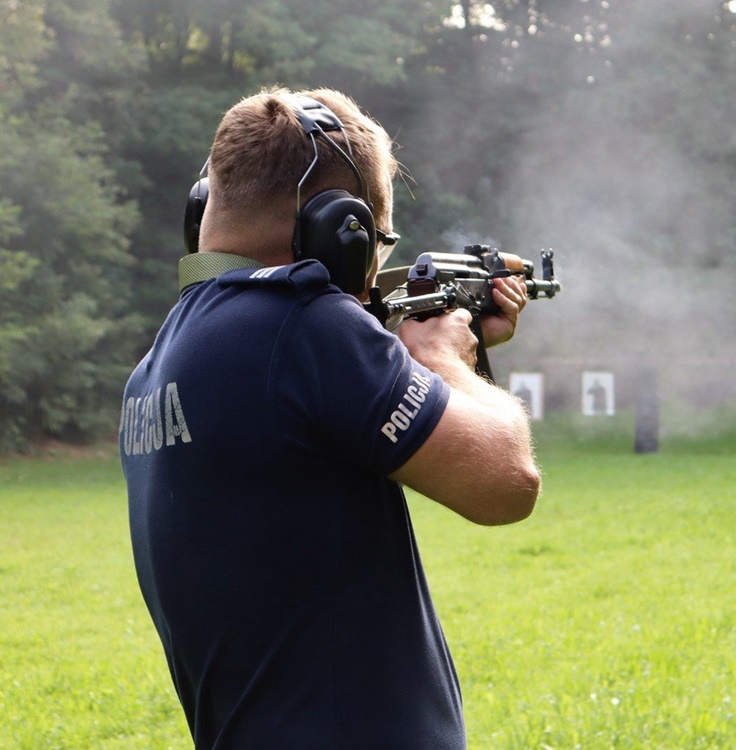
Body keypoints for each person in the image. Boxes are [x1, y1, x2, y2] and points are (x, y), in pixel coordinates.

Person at [119, 86, 540, 749]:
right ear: (341, 227)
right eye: (376, 238)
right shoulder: (303, 326)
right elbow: (507, 482)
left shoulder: (154, 369)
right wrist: (445, 358)